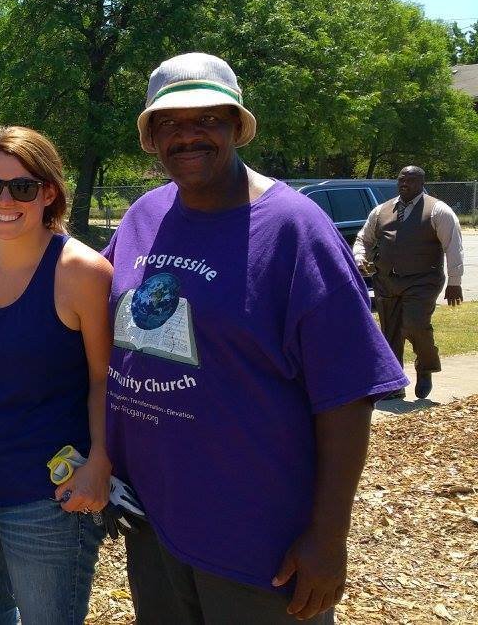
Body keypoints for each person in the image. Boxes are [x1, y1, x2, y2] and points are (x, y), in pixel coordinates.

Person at [103, 53, 406, 623]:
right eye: (168, 123)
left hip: (258, 541)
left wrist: (328, 538)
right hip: (155, 521)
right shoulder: (144, 215)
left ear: (237, 126)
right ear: (150, 137)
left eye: (207, 119)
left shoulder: (294, 229)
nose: (186, 135)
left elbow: (347, 394)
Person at [0, 126, 112, 624]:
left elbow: (106, 381)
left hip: (49, 499)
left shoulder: (82, 271)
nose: (4, 199)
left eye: (21, 187)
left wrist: (100, 462)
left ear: (48, 193)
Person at [353, 165, 465, 400]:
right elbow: (364, 238)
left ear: (422, 184)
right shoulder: (381, 210)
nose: (405, 184)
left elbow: (453, 247)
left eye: (411, 181)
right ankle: (394, 385)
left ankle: (426, 368)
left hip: (423, 280)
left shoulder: (438, 211)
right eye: (402, 180)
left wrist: (455, 281)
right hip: (386, 280)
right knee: (390, 333)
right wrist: (359, 257)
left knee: (415, 324)